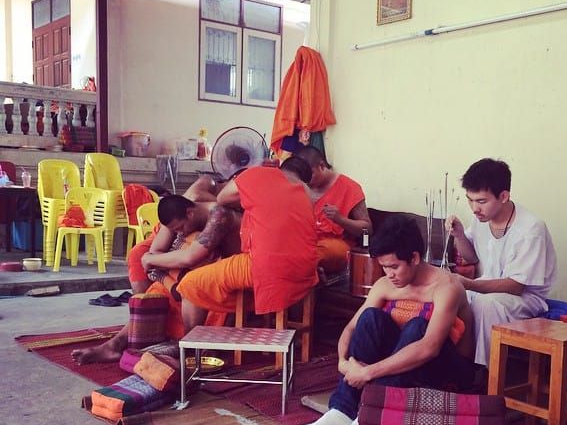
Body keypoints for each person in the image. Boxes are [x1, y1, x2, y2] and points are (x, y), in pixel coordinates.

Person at [296, 214, 475, 425]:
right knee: (371, 318)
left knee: (417, 327)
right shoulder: (385, 285)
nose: (389, 274)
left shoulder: (447, 287)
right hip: (408, 359)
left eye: (394, 267)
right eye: (384, 267)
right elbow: (351, 328)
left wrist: (368, 373)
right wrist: (343, 363)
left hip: (450, 372)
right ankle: (342, 410)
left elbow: (429, 348)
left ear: (414, 258)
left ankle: (369, 417)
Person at [71, 194, 240, 364]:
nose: (180, 233)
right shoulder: (183, 209)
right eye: (176, 231)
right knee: (157, 291)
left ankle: (189, 347)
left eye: (180, 228)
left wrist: (151, 260)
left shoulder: (219, 214)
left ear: (190, 213)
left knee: (191, 283)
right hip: (195, 268)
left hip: (228, 269)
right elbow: (155, 251)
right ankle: (115, 345)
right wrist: (158, 265)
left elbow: (189, 257)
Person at [177, 157, 319, 331]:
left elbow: (222, 198)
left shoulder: (259, 174)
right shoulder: (307, 192)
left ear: (279, 168)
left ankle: (190, 349)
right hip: (306, 269)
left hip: (266, 266)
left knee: (189, 284)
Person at [446, 158, 557, 367]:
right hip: (487, 287)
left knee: (487, 304)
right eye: (470, 200)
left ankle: (483, 373)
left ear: (504, 196)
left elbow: (516, 286)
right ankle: (454, 365)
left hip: (526, 298)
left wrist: (469, 284)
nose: (474, 208)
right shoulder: (482, 218)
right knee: (451, 296)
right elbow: (471, 257)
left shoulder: (531, 229)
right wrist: (459, 235)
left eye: (481, 201)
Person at [294, 145, 372, 274]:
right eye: (303, 177)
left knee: (309, 257)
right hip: (304, 242)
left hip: (333, 247)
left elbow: (368, 229)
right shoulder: (299, 187)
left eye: (310, 175)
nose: (306, 181)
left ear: (322, 166)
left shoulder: (349, 187)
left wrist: (340, 220)